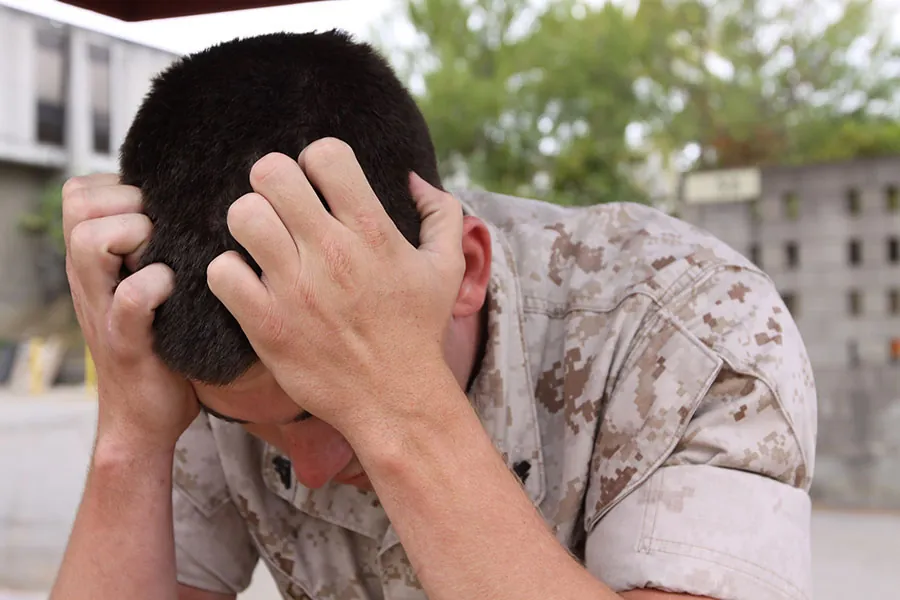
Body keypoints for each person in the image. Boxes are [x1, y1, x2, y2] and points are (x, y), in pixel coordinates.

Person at [50, 30, 817, 600]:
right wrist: (129, 439)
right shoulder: (226, 353)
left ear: (466, 271)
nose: (308, 471)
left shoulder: (689, 326)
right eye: (256, 428)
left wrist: (398, 410)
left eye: (319, 408)